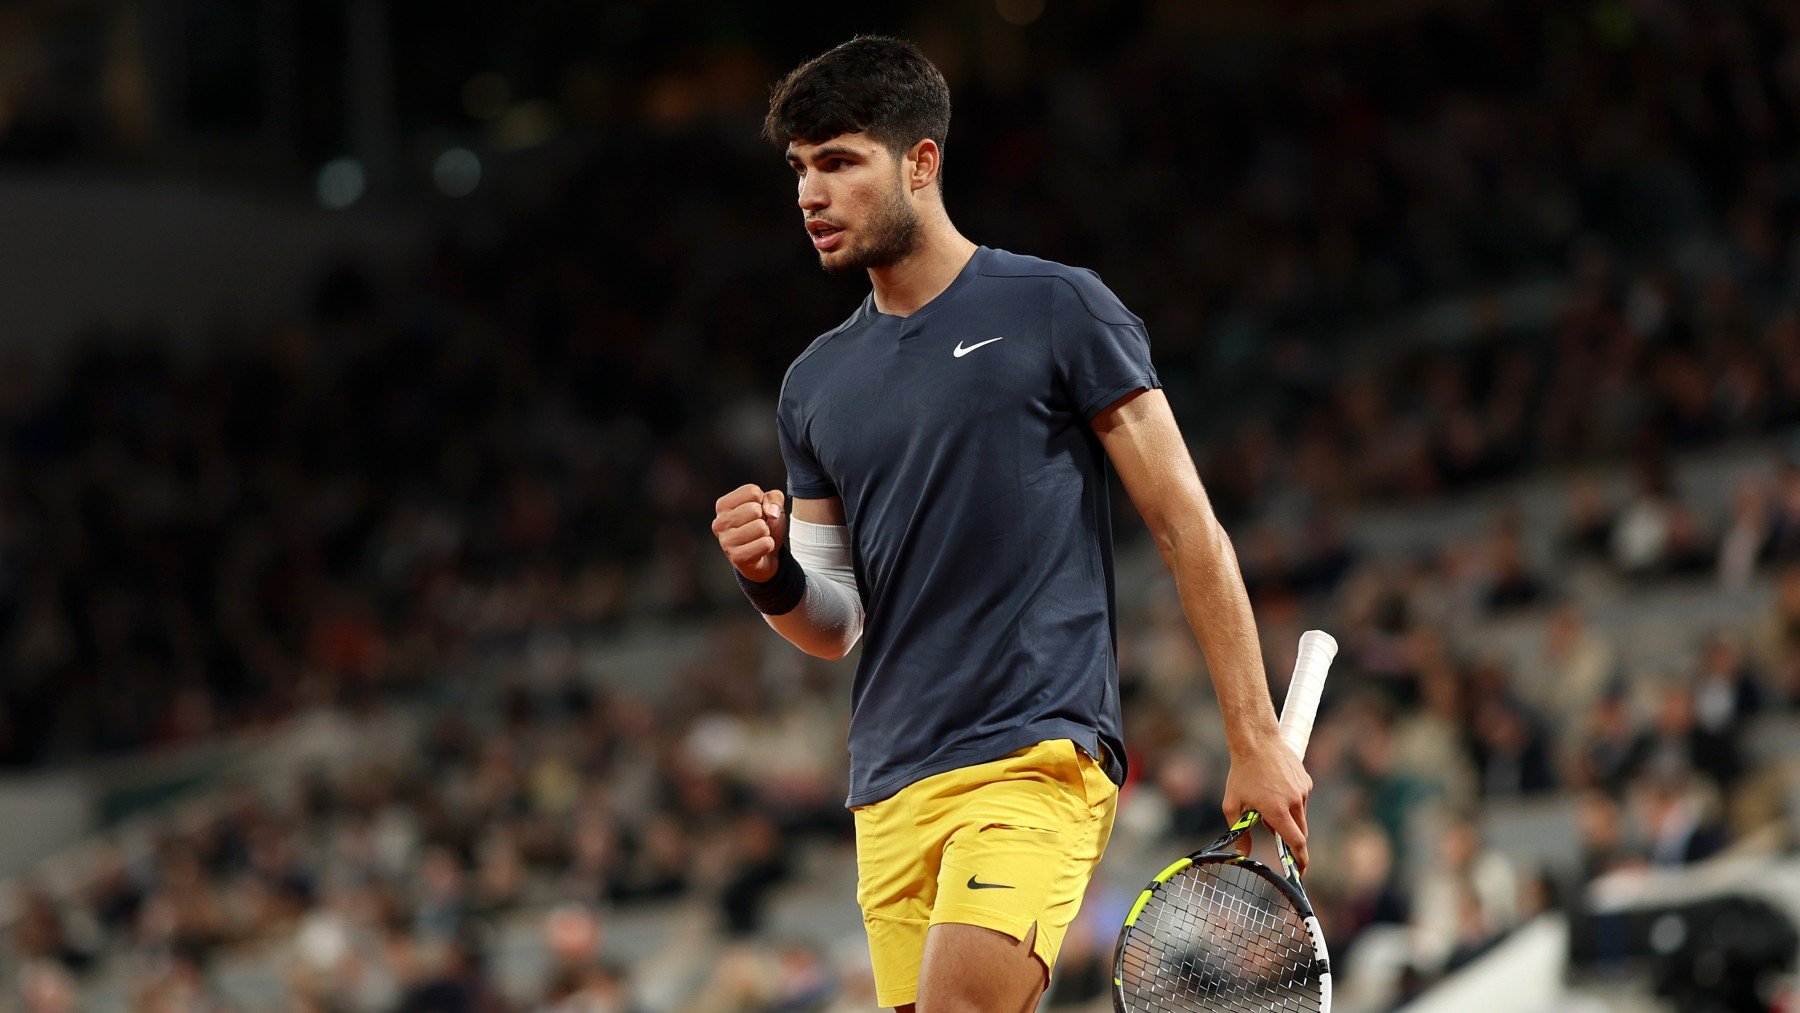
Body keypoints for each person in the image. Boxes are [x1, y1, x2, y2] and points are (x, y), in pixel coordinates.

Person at [709, 36, 1310, 1012]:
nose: (811, 195)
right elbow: (833, 625)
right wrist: (769, 571)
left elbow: (1186, 524)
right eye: (801, 170)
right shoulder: (813, 383)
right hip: (889, 783)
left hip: (1032, 751)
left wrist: (1254, 733)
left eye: (840, 161)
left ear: (921, 162)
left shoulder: (1059, 307)